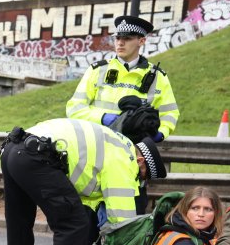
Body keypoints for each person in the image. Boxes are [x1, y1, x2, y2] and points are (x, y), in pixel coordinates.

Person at [1, 118, 167, 245]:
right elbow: (124, 224)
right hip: (36, 156)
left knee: (19, 219)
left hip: (13, 148)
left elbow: (84, 192)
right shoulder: (126, 160)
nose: (140, 181)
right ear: (141, 161)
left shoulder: (115, 143)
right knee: (73, 225)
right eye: (143, 176)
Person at [66, 15, 179, 212]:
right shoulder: (98, 71)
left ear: (141, 41)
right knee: (87, 220)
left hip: (131, 158)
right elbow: (74, 108)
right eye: (118, 38)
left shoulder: (157, 78)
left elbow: (170, 113)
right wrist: (103, 118)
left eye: (127, 38)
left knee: (128, 214)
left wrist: (160, 133)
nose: (120, 42)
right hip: (95, 153)